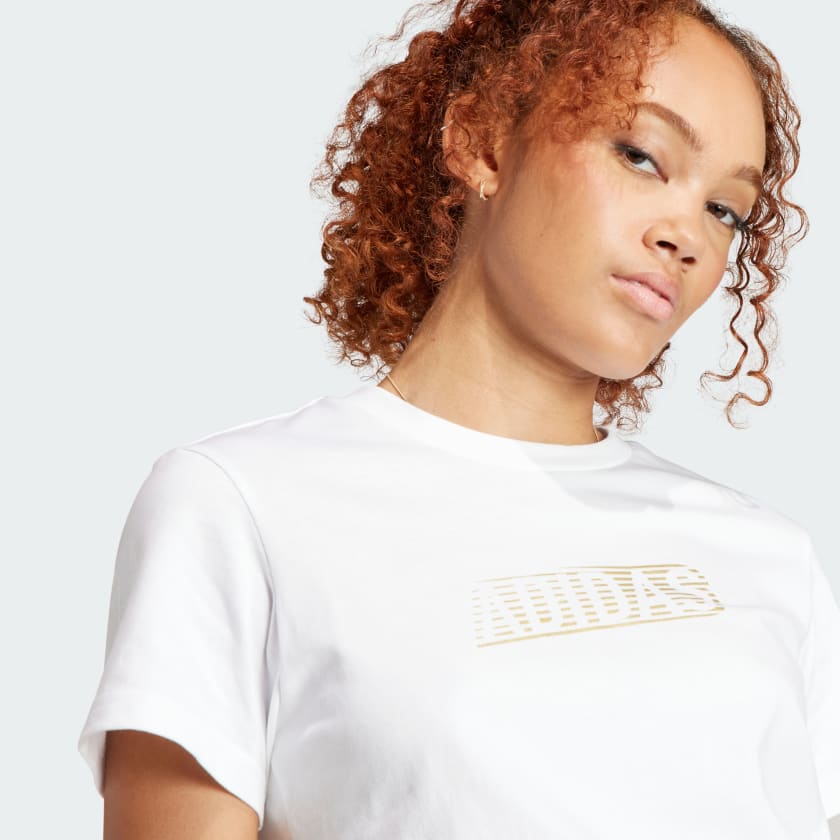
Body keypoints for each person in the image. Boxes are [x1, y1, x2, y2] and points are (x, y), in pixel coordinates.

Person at [78, 0, 840, 838]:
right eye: (640, 155)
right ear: (482, 141)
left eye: (725, 209)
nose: (687, 235)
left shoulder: (772, 558)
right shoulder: (242, 507)